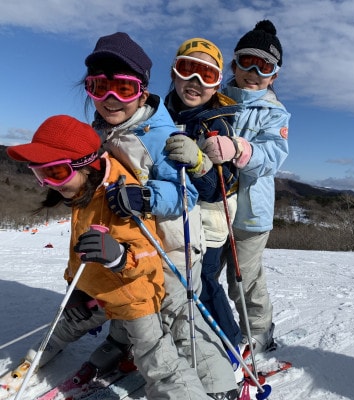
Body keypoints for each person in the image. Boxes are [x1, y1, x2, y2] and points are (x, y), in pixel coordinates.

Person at [6, 114, 208, 399]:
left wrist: (119, 257)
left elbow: (151, 256)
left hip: (134, 295)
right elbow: (78, 252)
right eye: (40, 174)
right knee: (64, 325)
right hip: (97, 291)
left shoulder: (120, 195)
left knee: (157, 360)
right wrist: (74, 288)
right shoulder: (81, 193)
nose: (49, 183)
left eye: (57, 173)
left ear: (85, 165)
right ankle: (34, 357)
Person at [82, 32, 239, 399]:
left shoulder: (157, 132)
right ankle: (125, 345)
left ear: (141, 89)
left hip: (174, 244)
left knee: (180, 318)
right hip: (136, 244)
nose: (110, 98)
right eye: (99, 86)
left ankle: (219, 384)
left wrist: (146, 196)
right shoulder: (104, 129)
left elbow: (186, 195)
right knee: (132, 300)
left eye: (122, 88)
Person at [202, 20, 290, 356]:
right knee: (205, 273)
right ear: (233, 64)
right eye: (246, 62)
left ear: (274, 75)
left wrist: (239, 149)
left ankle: (258, 332)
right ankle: (205, 325)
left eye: (264, 65)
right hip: (212, 207)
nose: (253, 71)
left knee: (244, 279)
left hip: (250, 214)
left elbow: (272, 157)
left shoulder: (275, 113)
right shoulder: (216, 99)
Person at [164, 37, 242, 351]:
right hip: (173, 215)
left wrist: (200, 162)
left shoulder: (216, 124)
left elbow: (214, 191)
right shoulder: (162, 114)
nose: (195, 81)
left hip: (209, 220)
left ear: (216, 85)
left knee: (205, 282)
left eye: (207, 75)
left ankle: (230, 345)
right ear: (174, 72)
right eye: (188, 69)